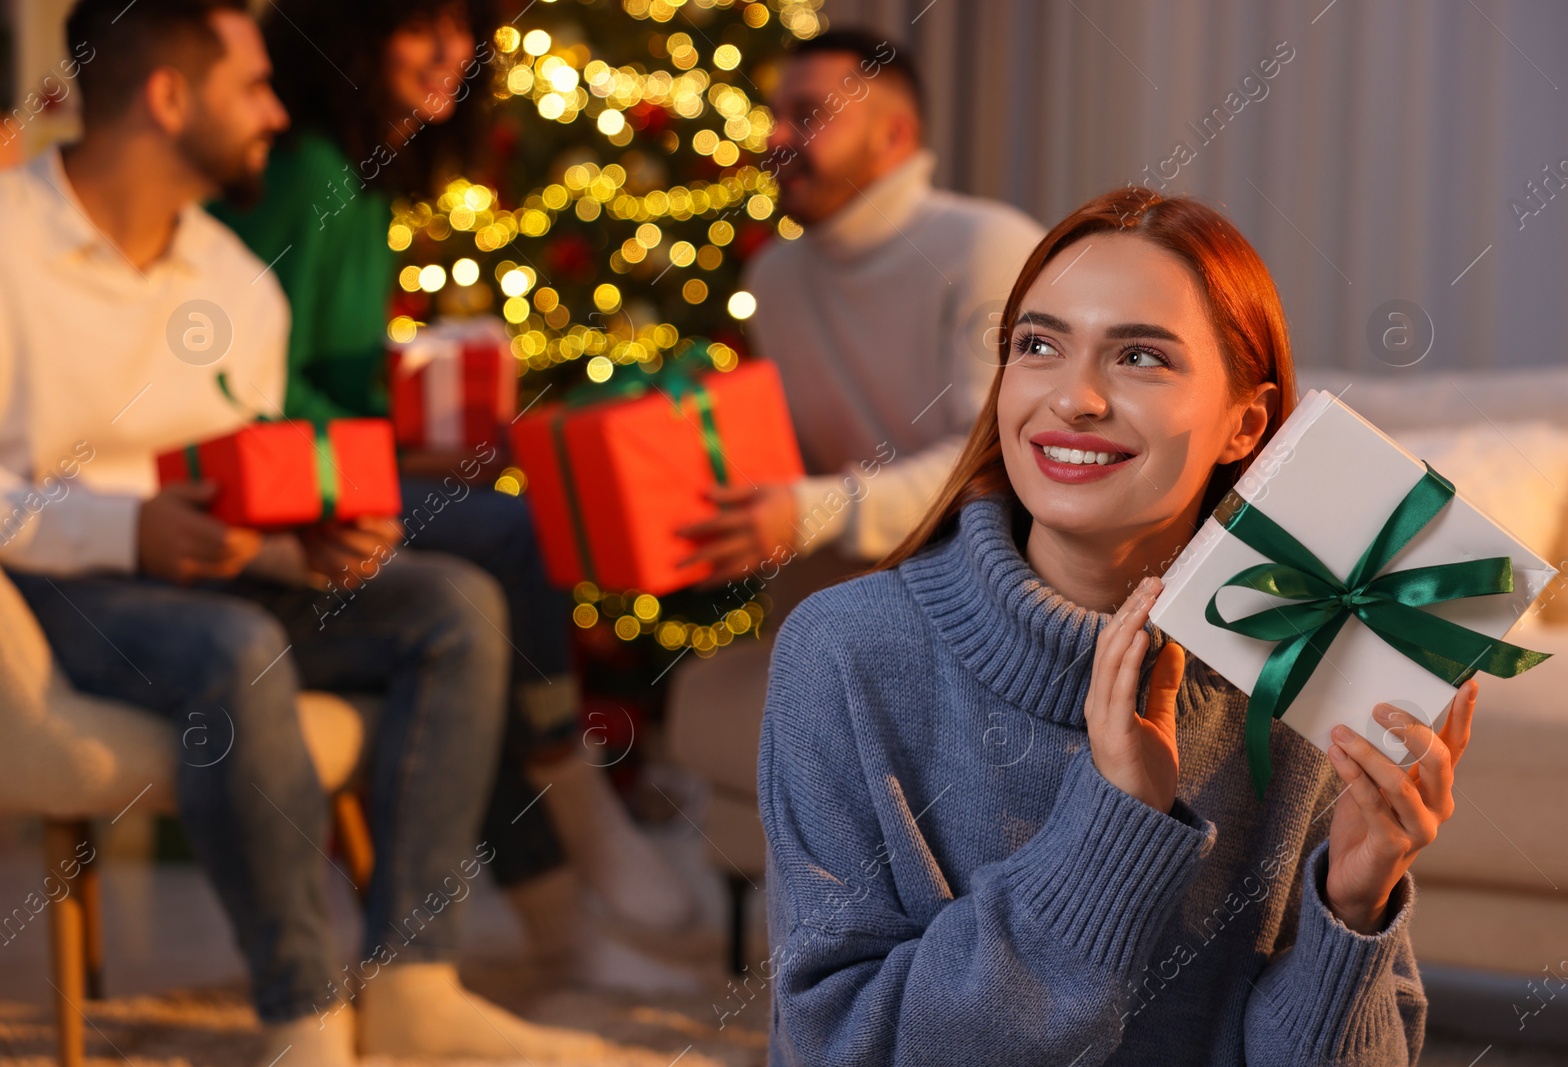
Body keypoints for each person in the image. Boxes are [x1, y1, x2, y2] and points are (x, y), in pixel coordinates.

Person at [0, 1, 608, 1063]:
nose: (279, 112)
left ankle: (416, 988)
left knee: (457, 604)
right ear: (167, 96)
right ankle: (302, 1014)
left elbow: (253, 467)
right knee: (240, 650)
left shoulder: (234, 284)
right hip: (53, 587)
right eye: (252, 87)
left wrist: (304, 535)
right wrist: (128, 527)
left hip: (216, 569)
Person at [758, 187, 1468, 1064]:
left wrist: (1353, 907)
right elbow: (841, 1048)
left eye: (1140, 357)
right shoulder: (846, 651)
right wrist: (1114, 821)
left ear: (1246, 423)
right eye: (1039, 345)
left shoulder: (1309, 663)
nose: (1075, 398)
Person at [208, 0, 699, 993]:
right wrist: (391, 445)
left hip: (323, 464)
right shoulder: (312, 173)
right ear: (351, 37)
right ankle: (577, 805)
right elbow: (257, 384)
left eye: (466, 31)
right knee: (508, 537)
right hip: (266, 491)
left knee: (474, 621)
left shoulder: (356, 174)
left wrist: (407, 421)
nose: (451, 54)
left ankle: (564, 926)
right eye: (416, 28)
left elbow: (315, 368)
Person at [678, 29, 1046, 594]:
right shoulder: (774, 276)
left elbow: (996, 462)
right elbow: (798, 457)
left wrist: (815, 512)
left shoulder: (989, 246)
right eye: (774, 116)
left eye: (808, 116)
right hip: (846, 595)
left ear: (893, 136)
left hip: (993, 592)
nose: (774, 138)